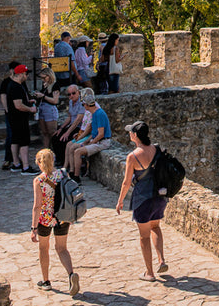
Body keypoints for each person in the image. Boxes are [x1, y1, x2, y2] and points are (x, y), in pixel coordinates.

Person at [116, 120, 168, 281]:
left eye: (131, 131)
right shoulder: (156, 149)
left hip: (143, 199)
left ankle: (150, 273)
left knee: (144, 236)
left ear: (135, 135)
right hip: (159, 197)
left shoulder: (133, 156)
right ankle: (161, 260)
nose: (129, 134)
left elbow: (126, 182)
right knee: (156, 227)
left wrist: (120, 201)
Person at [30, 148, 80, 295]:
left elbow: (37, 205)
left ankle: (46, 281)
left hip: (45, 219)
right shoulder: (63, 174)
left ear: (39, 163)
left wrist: (33, 228)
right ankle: (71, 274)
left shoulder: (39, 180)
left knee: (44, 249)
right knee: (62, 248)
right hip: (62, 217)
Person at [64, 88, 112, 179]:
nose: (83, 106)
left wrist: (91, 143)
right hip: (96, 141)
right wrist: (86, 142)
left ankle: (76, 176)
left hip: (102, 142)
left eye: (83, 104)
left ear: (87, 105)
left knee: (77, 152)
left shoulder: (99, 114)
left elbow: (101, 134)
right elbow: (94, 132)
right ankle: (73, 172)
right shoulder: (94, 113)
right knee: (76, 148)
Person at [2, 64, 39, 174]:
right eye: (26, 74)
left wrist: (28, 102)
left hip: (14, 118)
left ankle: (16, 163)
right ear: (21, 74)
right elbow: (18, 105)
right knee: (24, 142)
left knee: (15, 140)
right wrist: (30, 109)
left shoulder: (14, 85)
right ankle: (26, 167)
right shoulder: (16, 87)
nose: (27, 76)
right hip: (19, 118)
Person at [34, 67, 61, 152]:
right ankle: (46, 152)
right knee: (45, 133)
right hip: (42, 109)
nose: (42, 79)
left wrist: (43, 96)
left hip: (50, 110)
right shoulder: (45, 85)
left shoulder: (55, 86)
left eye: (44, 77)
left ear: (49, 76)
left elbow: (55, 100)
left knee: (52, 132)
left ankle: (55, 152)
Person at [0, 62, 19, 170]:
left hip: (19, 113)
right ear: (11, 70)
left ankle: (16, 158)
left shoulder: (20, 81)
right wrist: (7, 110)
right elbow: (3, 97)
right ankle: (8, 159)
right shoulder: (6, 82)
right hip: (10, 113)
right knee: (10, 135)